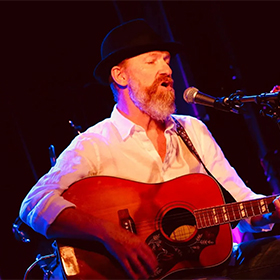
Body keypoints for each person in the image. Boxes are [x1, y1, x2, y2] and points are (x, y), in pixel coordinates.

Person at [19, 19, 280, 280]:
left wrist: (270, 209)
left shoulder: (192, 130)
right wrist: (112, 235)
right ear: (121, 76)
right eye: (152, 61)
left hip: (214, 271)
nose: (167, 69)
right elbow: (34, 204)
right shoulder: (95, 143)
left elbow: (243, 202)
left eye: (166, 60)